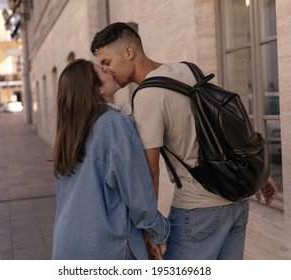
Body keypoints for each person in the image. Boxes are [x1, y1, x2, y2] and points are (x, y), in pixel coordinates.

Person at [90, 22, 278, 260]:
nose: (108, 71)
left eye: (107, 62)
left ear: (129, 52)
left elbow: (151, 168)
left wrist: (150, 228)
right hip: (237, 204)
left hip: (198, 211)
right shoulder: (187, 69)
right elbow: (224, 128)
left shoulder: (147, 96)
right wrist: (258, 174)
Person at [51, 59, 169, 260]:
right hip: (105, 248)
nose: (109, 70)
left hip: (66, 245)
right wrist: (157, 232)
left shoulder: (68, 134)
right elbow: (137, 192)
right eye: (102, 70)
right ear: (97, 88)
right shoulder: (115, 124)